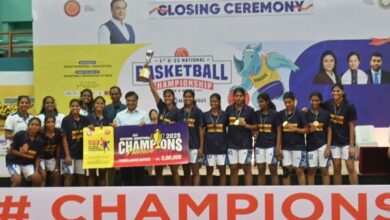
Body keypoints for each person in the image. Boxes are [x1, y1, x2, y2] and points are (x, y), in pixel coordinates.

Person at [323, 83, 358, 185]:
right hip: (334, 142)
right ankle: (338, 194)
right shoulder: (328, 104)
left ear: (343, 92)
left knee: (350, 168)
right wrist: (306, 110)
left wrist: (352, 146)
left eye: (338, 91)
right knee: (337, 168)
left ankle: (356, 192)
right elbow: (316, 106)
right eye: (333, 91)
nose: (335, 93)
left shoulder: (350, 106)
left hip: (347, 142)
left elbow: (352, 126)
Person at [113, 91, 150, 186]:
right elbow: (116, 133)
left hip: (140, 151)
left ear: (137, 101)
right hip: (124, 151)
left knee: (139, 176)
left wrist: (146, 125)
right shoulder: (119, 115)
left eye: (133, 101)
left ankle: (139, 196)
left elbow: (151, 131)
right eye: (129, 101)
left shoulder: (144, 114)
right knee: (125, 177)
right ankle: (126, 197)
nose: (131, 103)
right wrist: (114, 128)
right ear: (126, 101)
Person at [148, 77, 180, 186]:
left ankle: (178, 191)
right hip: (159, 143)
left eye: (169, 96)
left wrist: (176, 125)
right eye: (165, 96)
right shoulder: (161, 107)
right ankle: (159, 191)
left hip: (171, 144)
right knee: (158, 170)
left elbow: (182, 128)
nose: (167, 98)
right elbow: (153, 90)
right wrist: (149, 78)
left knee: (174, 170)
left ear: (173, 97)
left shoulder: (178, 111)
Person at [226, 87, 256, 186]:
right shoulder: (229, 109)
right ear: (233, 97)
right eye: (236, 96)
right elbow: (225, 124)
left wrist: (246, 125)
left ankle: (248, 191)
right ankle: (234, 192)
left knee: (246, 168)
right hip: (231, 143)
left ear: (244, 97)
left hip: (245, 143)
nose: (238, 98)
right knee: (233, 168)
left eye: (240, 96)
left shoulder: (250, 110)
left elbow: (256, 126)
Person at [61, 99, 92, 186]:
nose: (75, 108)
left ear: (80, 107)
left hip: (81, 154)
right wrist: (67, 155)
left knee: (82, 176)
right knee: (68, 177)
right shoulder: (65, 120)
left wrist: (91, 127)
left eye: (77, 106)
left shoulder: (85, 119)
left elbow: (90, 133)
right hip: (67, 154)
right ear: (70, 107)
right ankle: (66, 197)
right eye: (73, 106)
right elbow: (64, 138)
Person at [279, 92, 308, 185]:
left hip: (298, 147)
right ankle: (287, 194)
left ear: (294, 101)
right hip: (285, 147)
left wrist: (294, 129)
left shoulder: (300, 113)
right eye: (285, 102)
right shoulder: (281, 114)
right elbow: (279, 132)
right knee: (286, 171)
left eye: (289, 102)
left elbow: (306, 130)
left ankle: (302, 193)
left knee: (299, 171)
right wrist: (279, 147)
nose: (287, 104)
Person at [6, 117, 43, 187]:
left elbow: (38, 157)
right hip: (14, 161)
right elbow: (10, 150)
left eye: (37, 125)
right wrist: (21, 153)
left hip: (27, 163)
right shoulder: (20, 135)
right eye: (32, 124)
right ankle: (9, 196)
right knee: (17, 180)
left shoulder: (41, 140)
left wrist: (36, 171)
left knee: (38, 180)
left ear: (40, 127)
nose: (34, 126)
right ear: (28, 125)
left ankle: (33, 196)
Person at [254, 93, 281, 185]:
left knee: (273, 170)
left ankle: (276, 193)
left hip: (271, 145)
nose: (260, 104)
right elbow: (254, 128)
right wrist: (254, 133)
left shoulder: (275, 114)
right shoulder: (256, 114)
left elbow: (279, 131)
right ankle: (261, 193)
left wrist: (278, 147)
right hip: (259, 145)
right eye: (259, 102)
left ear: (267, 102)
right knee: (260, 170)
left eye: (262, 102)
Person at [178, 90, 204, 186]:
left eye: (189, 97)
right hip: (183, 146)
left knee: (195, 171)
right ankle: (186, 193)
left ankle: (195, 192)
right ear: (183, 98)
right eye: (186, 97)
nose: (187, 98)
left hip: (195, 145)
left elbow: (201, 130)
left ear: (193, 98)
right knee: (186, 173)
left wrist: (201, 148)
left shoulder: (198, 111)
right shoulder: (179, 112)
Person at [305, 92, 332, 185]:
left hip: (323, 145)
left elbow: (329, 130)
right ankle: (311, 193)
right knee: (311, 170)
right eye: (312, 100)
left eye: (317, 100)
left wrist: (328, 147)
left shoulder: (326, 113)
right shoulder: (306, 113)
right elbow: (304, 130)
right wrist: (309, 130)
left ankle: (326, 193)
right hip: (311, 146)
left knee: (324, 170)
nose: (314, 102)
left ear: (320, 101)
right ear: (309, 101)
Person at [203, 93, 228, 186]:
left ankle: (222, 191)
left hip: (222, 147)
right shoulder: (204, 115)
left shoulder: (225, 115)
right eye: (212, 101)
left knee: (222, 171)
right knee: (209, 171)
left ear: (219, 102)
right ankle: (210, 191)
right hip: (209, 147)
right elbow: (201, 130)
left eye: (215, 101)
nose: (213, 103)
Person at [103, 86, 126, 186]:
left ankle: (124, 186)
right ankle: (110, 187)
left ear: (120, 94)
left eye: (116, 94)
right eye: (112, 94)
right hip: (109, 140)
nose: (114, 95)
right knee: (110, 165)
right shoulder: (105, 109)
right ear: (110, 95)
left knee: (124, 165)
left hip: (123, 140)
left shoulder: (126, 108)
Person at [87, 96, 110, 186]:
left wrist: (112, 128)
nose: (99, 105)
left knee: (102, 174)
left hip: (103, 150)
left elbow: (110, 133)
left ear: (104, 105)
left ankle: (103, 194)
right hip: (91, 149)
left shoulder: (108, 119)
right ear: (94, 105)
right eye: (97, 103)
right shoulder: (88, 117)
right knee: (91, 174)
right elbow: (83, 131)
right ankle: (90, 194)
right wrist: (87, 127)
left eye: (101, 103)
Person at [40, 115, 67, 186]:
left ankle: (56, 193)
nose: (51, 124)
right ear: (45, 123)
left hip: (51, 157)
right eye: (48, 122)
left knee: (57, 174)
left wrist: (57, 164)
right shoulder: (40, 132)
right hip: (40, 158)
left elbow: (58, 148)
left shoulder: (58, 132)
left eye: (52, 122)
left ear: (55, 123)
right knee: (43, 176)